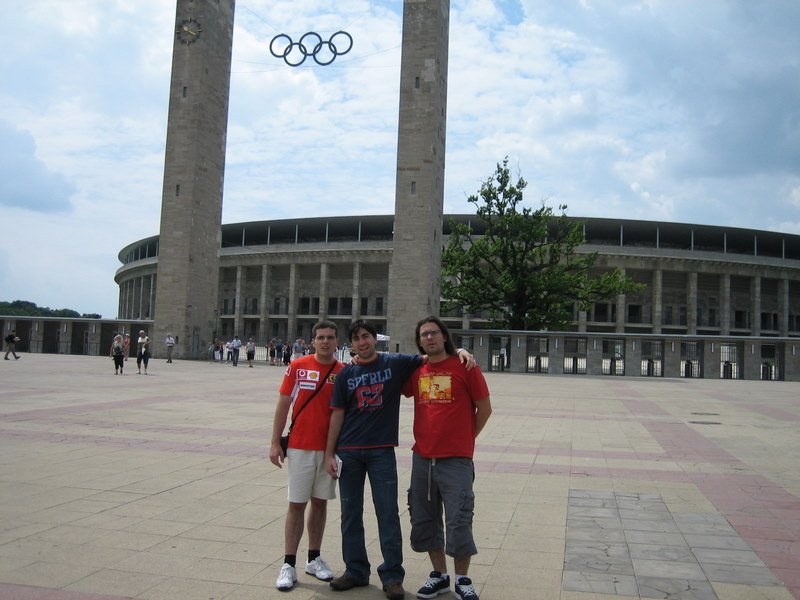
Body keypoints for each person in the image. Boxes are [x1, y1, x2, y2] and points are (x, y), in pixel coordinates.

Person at [324, 320, 475, 600]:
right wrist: (328, 453)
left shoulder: (393, 363)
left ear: (374, 338)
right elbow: (337, 414)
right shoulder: (346, 374)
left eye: (366, 336)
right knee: (350, 514)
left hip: (382, 451)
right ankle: (355, 570)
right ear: (352, 344)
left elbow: (433, 354)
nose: (362, 342)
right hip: (349, 451)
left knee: (388, 514)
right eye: (356, 339)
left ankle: (392, 576)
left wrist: (462, 350)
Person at [403, 317, 492, 600]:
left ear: (444, 337)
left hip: (456, 460)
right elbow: (389, 373)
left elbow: (485, 409)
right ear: (419, 341)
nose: (429, 338)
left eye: (434, 333)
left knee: (459, 518)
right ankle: (439, 576)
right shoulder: (417, 370)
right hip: (422, 458)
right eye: (424, 335)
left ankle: (462, 579)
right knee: (426, 519)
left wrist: (466, 439)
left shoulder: (465, 366)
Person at [270, 320, 344, 591]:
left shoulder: (343, 371)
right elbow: (283, 403)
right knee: (297, 504)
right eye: (321, 337)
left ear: (338, 342)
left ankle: (314, 558)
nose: (325, 342)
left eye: (330, 337)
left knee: (320, 504)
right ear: (312, 341)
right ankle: (289, 563)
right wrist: (275, 443)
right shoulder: (298, 367)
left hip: (329, 450)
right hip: (300, 447)